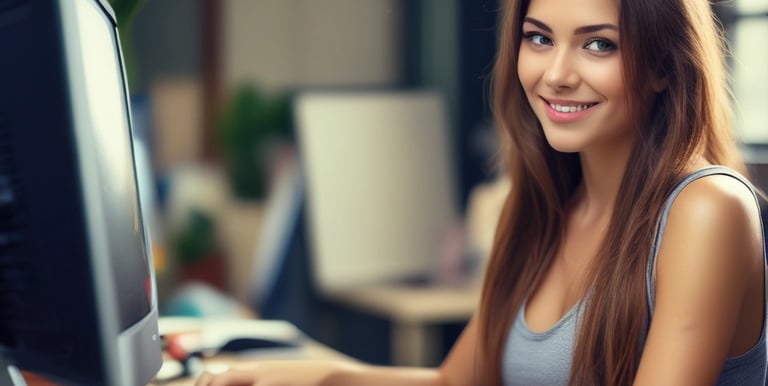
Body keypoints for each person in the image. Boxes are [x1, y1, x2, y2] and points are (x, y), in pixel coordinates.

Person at [195, 0, 767, 384]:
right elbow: (454, 381)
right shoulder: (545, 204)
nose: (556, 74)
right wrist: (316, 376)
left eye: (598, 45)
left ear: (665, 66)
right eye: (538, 38)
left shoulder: (706, 211)